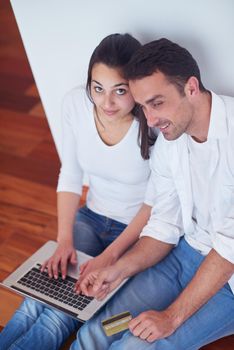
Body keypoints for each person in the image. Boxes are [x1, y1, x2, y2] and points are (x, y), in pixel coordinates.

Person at [73, 38, 234, 349]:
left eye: (157, 103)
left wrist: (170, 317)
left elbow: (230, 248)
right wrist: (117, 269)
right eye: (143, 106)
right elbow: (163, 225)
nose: (150, 119)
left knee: (134, 346)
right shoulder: (170, 140)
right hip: (185, 256)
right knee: (96, 331)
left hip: (228, 282)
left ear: (190, 87)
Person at [0, 33, 157, 350]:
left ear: (137, 88)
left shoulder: (154, 122)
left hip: (135, 235)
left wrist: (107, 257)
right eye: (98, 88)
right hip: (91, 218)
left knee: (59, 315)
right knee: (37, 297)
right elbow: (70, 175)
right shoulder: (75, 103)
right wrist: (64, 241)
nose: (106, 102)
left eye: (120, 91)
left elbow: (154, 203)